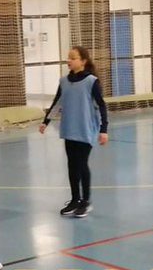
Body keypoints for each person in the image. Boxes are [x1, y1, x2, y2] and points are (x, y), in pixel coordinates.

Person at [39, 46, 108, 217]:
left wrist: (103, 129)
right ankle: (75, 199)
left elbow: (101, 105)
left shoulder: (91, 82)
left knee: (82, 164)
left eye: (73, 58)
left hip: (85, 130)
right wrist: (45, 121)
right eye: (68, 57)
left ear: (83, 61)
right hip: (69, 129)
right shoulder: (64, 81)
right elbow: (57, 102)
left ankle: (86, 202)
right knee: (72, 165)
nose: (68, 60)